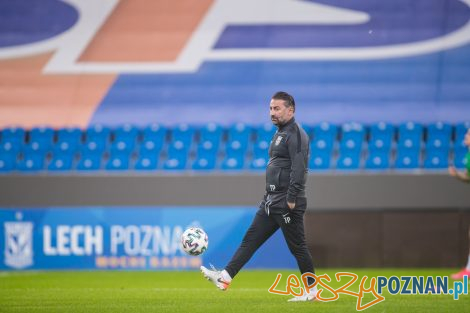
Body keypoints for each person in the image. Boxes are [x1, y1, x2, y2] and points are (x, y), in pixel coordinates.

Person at [200, 91, 317, 302]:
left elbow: (300, 169)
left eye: (277, 108)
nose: (272, 112)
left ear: (291, 110)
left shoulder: (297, 134)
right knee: (250, 240)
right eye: (271, 108)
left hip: (286, 202)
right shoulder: (280, 132)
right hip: (271, 200)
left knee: (298, 247)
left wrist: (291, 198)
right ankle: (225, 277)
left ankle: (313, 292)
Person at [448, 128, 470, 280]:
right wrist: (457, 175)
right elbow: (469, 177)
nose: (466, 136)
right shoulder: (468, 156)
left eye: (468, 134)